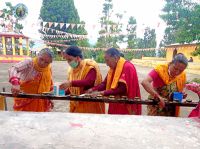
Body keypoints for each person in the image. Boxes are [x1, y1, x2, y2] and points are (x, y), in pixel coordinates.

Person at [87, 48, 141, 115]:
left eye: (107, 60)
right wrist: (93, 89)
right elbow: (105, 83)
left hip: (125, 104)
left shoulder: (127, 67)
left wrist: (101, 93)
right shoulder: (112, 68)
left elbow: (122, 89)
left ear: (115, 58)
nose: (106, 64)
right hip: (115, 103)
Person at [59, 46, 105, 114]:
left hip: (90, 105)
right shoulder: (71, 70)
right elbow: (72, 89)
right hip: (76, 104)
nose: (68, 62)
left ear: (77, 58)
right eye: (67, 60)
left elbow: (88, 82)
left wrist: (71, 83)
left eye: (70, 59)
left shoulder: (90, 67)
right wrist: (61, 92)